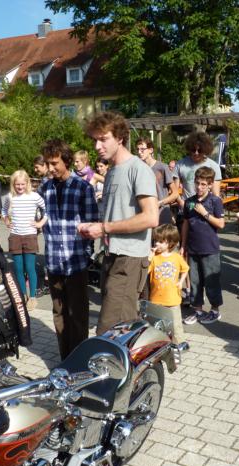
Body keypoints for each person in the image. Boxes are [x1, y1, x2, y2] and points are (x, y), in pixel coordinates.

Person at [78, 113, 158, 334]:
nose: (97, 146)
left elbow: (151, 217)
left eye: (103, 139)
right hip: (110, 255)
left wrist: (104, 228)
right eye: (95, 140)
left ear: (120, 138)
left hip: (129, 258)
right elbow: (117, 214)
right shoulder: (112, 171)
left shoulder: (138, 169)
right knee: (122, 329)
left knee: (109, 330)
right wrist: (94, 227)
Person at [43, 140, 99, 357]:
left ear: (66, 161)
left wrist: (85, 255)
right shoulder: (45, 188)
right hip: (53, 261)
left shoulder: (83, 187)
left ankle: (79, 359)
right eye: (48, 163)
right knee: (59, 312)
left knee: (78, 314)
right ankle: (65, 360)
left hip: (75, 262)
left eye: (54, 163)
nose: (50, 168)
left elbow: (92, 224)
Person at [181, 166, 225, 325]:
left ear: (210, 185)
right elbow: (186, 223)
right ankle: (198, 310)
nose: (199, 187)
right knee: (194, 281)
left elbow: (221, 224)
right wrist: (183, 245)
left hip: (210, 249)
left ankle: (215, 310)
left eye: (203, 184)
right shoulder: (189, 202)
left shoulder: (215, 201)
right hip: (193, 248)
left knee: (211, 281)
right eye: (197, 183)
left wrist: (205, 213)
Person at [2, 170, 48, 311]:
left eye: (23, 184)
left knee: (30, 267)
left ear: (27, 183)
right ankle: (22, 296)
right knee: (18, 269)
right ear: (13, 184)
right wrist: (6, 221)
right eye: (17, 184)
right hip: (15, 236)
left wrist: (40, 223)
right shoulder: (9, 196)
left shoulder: (34, 196)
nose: (20, 187)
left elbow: (48, 210)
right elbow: (3, 211)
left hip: (30, 236)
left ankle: (32, 297)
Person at [148, 224, 189, 344]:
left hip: (173, 300)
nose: (156, 243)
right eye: (155, 240)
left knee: (176, 326)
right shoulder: (154, 258)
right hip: (156, 299)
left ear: (170, 243)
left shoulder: (176, 257)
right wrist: (150, 256)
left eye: (161, 241)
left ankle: (179, 344)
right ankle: (159, 345)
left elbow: (185, 269)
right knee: (157, 326)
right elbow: (146, 271)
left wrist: (181, 282)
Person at [136, 137, 178, 224]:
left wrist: (159, 203)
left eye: (142, 149)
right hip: (144, 215)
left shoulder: (162, 167)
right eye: (138, 149)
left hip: (162, 213)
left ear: (150, 150)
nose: (139, 152)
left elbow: (175, 194)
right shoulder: (138, 169)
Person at [173, 132, 222, 205]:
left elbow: (216, 194)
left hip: (206, 207)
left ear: (205, 150)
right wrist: (182, 203)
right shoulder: (180, 164)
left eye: (199, 150)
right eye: (193, 150)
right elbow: (174, 191)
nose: (196, 153)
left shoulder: (214, 166)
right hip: (186, 205)